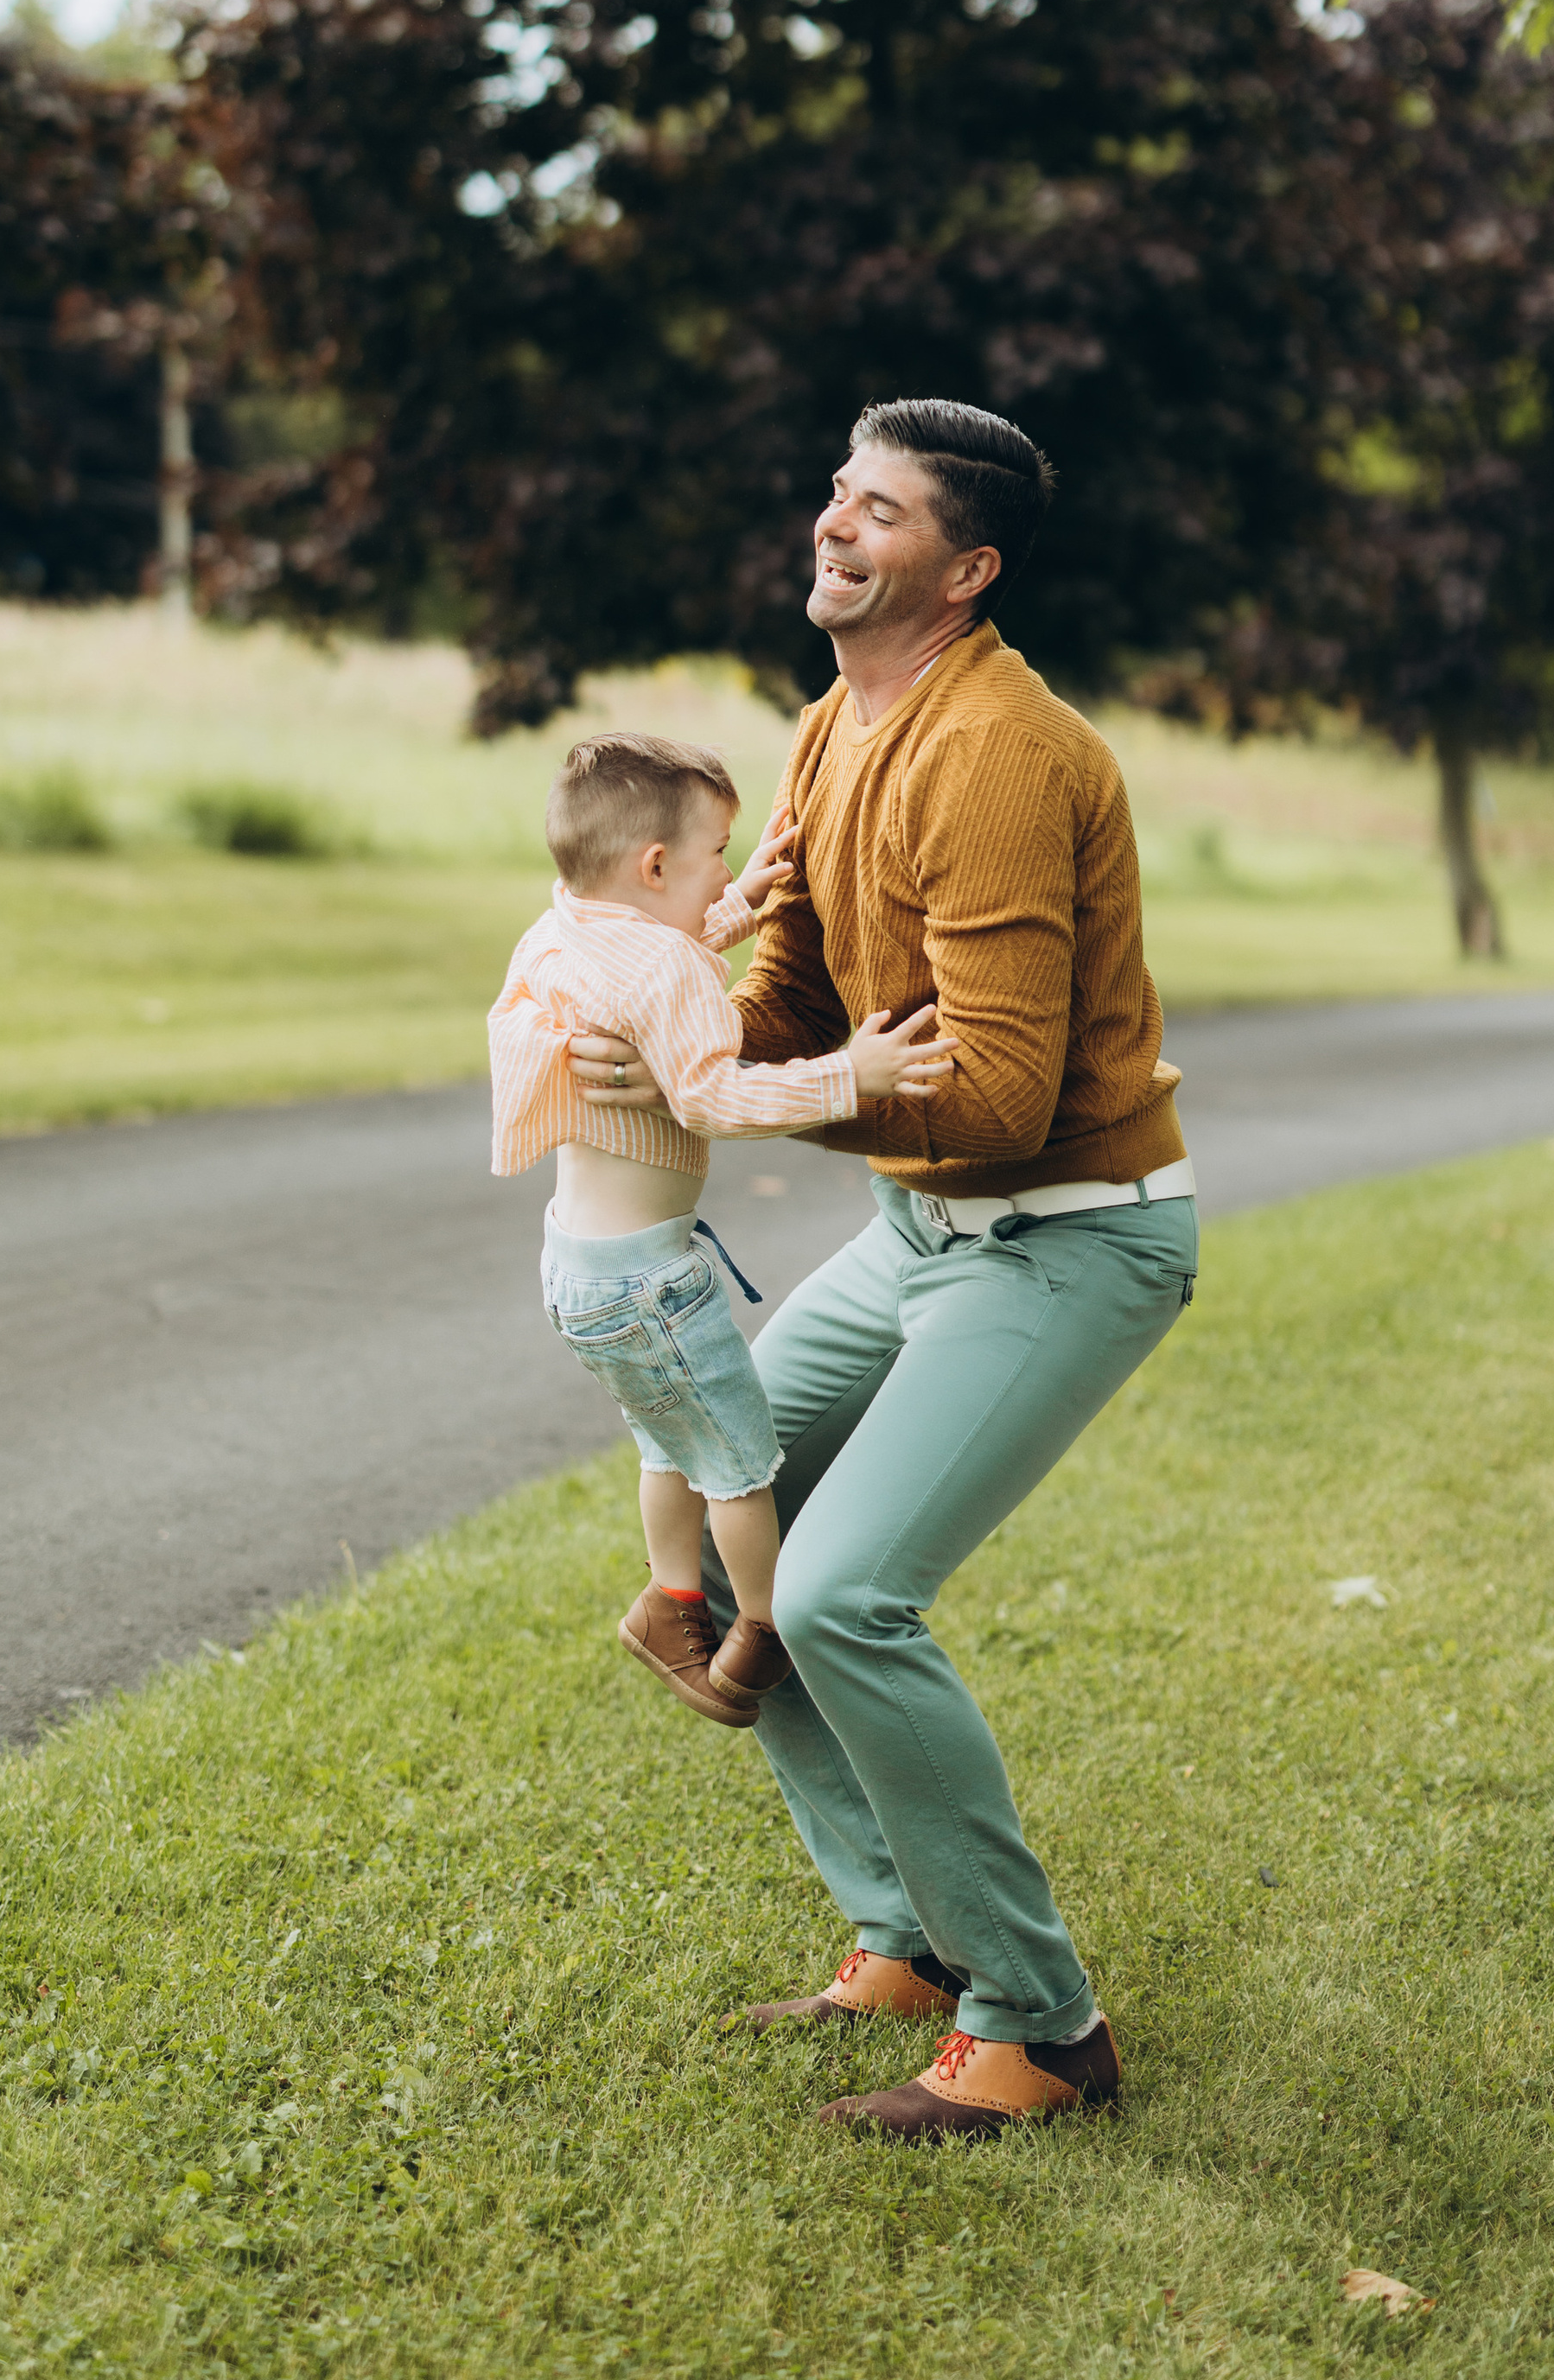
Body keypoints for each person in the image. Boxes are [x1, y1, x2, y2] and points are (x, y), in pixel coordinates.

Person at [567, 398, 1195, 2140]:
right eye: (836, 494)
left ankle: (1039, 2029)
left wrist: (773, 1104)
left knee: (838, 1593)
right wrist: (678, 1033)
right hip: (920, 1230)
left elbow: (991, 1090)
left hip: (1062, 1242)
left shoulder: (995, 752)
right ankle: (905, 1944)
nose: (835, 525)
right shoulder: (834, 726)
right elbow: (795, 1013)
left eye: (883, 511)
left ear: (965, 566)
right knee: (719, 1496)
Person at [489, 729, 951, 1727]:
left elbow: (659, 953)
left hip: (581, 1275)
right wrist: (850, 1076)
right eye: (718, 855)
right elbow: (712, 1098)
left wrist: (744, 902)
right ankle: (770, 1626)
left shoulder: (565, 929)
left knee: (671, 1446)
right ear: (655, 866)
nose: (730, 871)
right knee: (742, 1469)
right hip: (653, 1286)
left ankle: (672, 1602)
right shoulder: (664, 972)